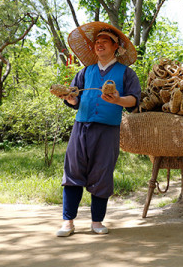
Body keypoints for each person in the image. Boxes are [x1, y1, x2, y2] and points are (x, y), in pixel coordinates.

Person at [56, 22, 141, 237]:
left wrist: (118, 99)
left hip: (108, 130)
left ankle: (96, 221)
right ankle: (68, 222)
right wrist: (70, 98)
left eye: (105, 41)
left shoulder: (126, 74)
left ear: (116, 47)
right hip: (81, 127)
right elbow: (74, 99)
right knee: (73, 171)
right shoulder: (85, 72)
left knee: (102, 172)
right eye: (97, 41)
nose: (99, 44)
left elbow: (133, 101)